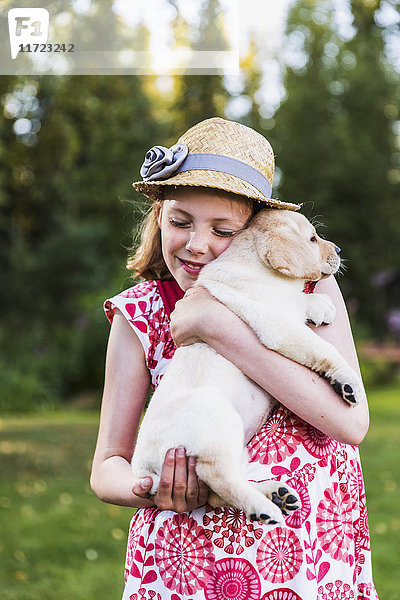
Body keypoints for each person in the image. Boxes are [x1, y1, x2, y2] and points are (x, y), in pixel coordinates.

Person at [90, 117, 378, 599]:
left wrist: (219, 328)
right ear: (159, 216)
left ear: (257, 232)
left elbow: (349, 424)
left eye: (222, 229)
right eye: (180, 221)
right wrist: (152, 488)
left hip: (311, 555)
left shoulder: (309, 288)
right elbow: (108, 467)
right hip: (190, 565)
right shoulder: (140, 312)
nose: (198, 244)